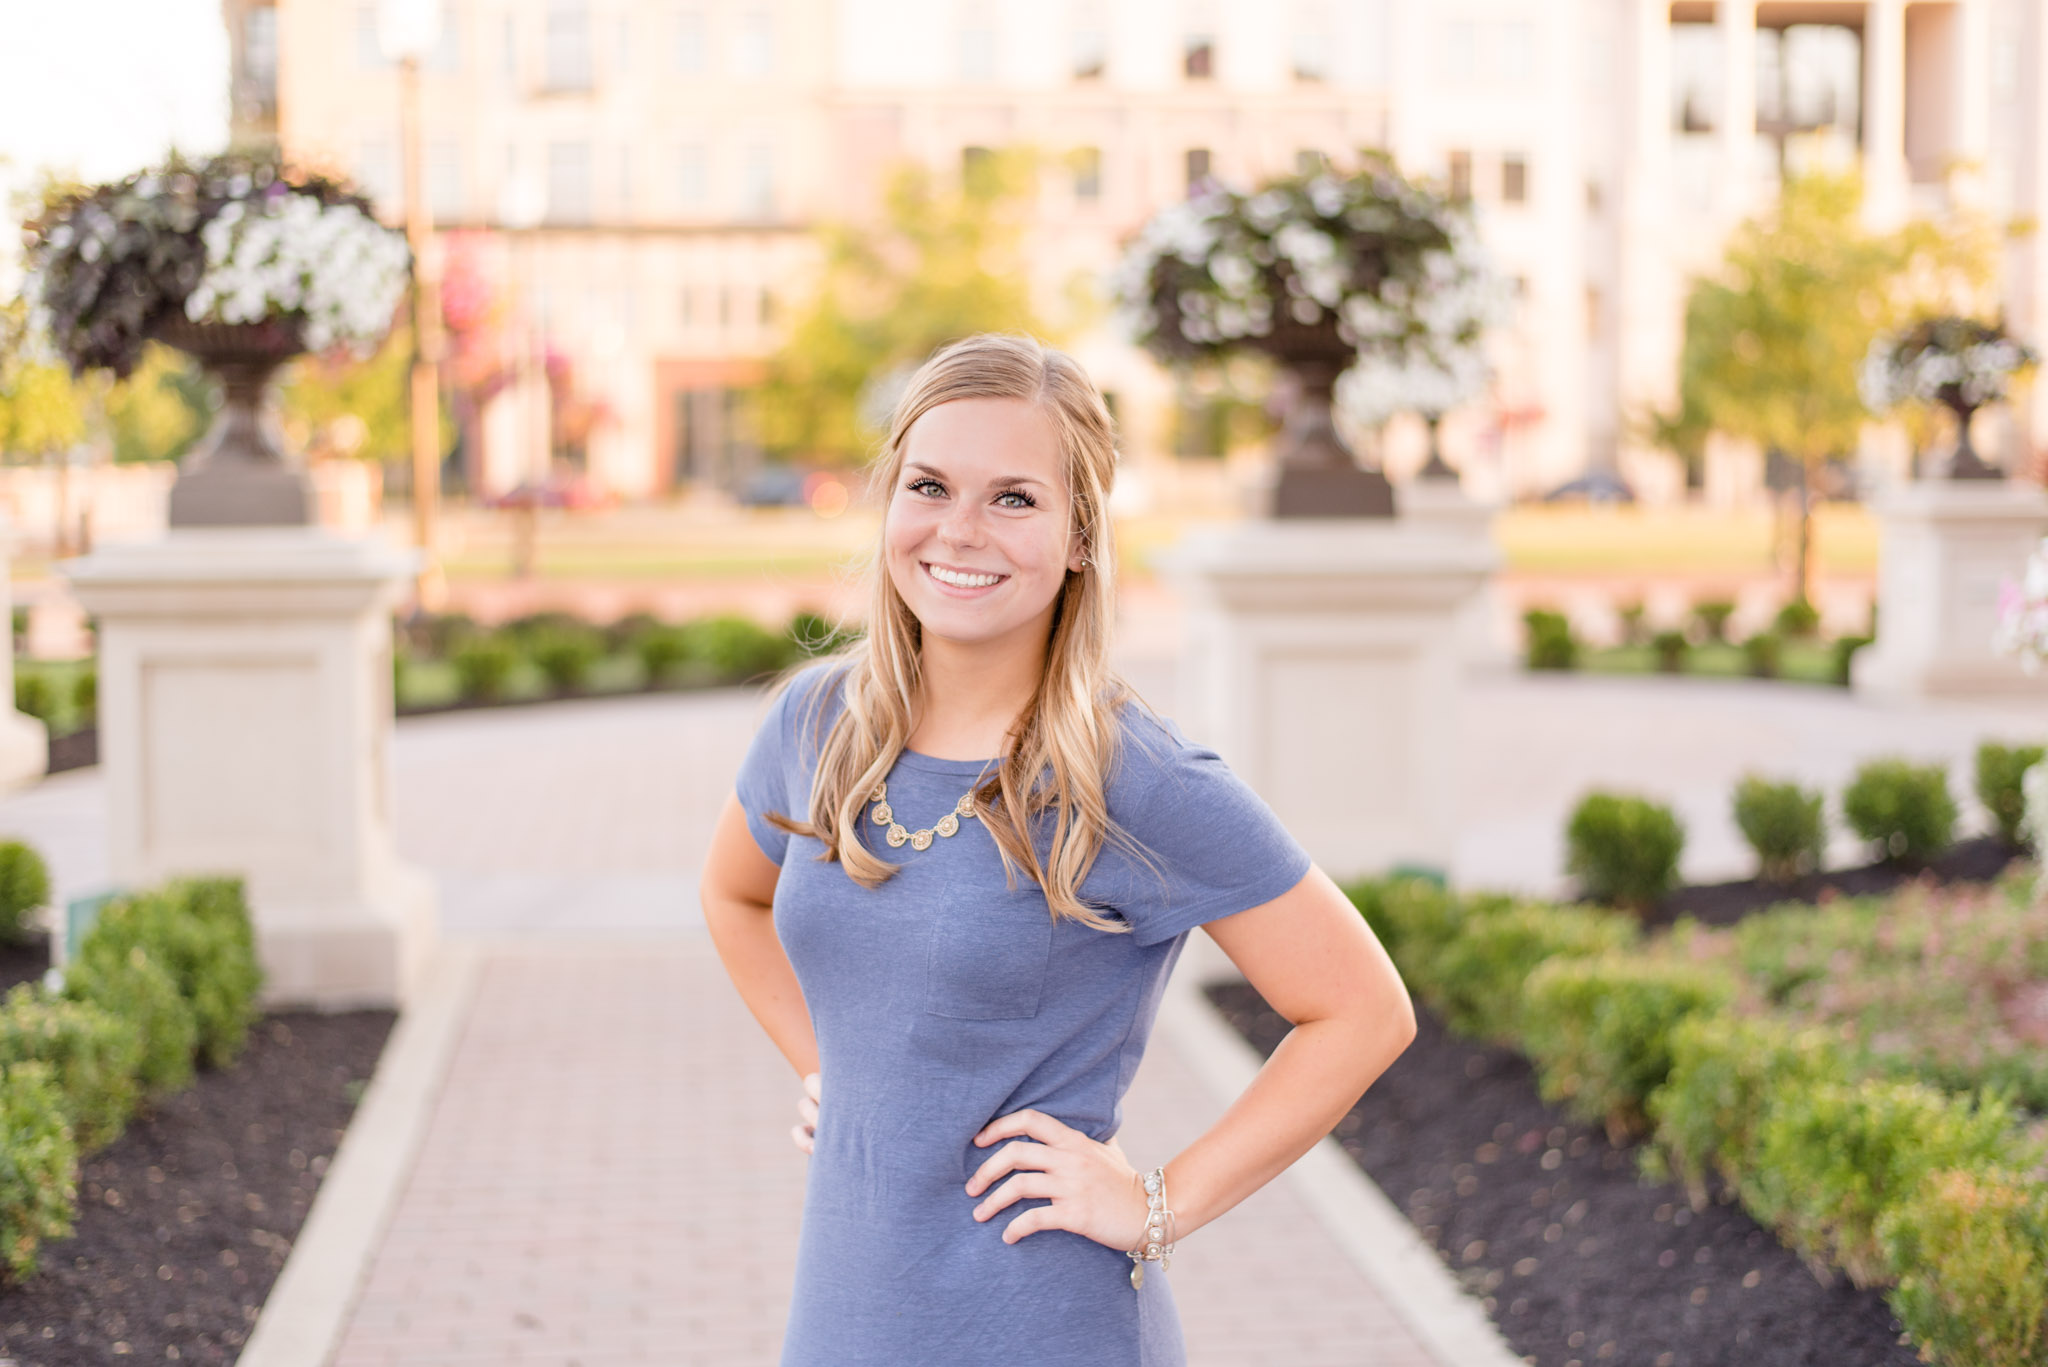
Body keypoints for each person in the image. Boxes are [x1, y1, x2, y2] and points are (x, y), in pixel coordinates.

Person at [699, 333, 1417, 1366]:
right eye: (930, 484)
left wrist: (1156, 1202)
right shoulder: (815, 724)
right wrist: (831, 1066)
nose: (960, 529)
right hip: (846, 1307)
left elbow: (1360, 1009)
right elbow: (732, 898)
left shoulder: (1132, 774)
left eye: (1015, 498)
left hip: (1038, 1317)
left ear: (1081, 533)